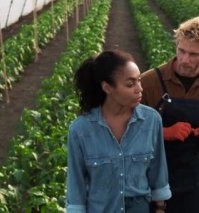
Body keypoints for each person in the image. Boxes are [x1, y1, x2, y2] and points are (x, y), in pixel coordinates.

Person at [140, 16, 199, 213]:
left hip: (192, 177)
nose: (184, 60)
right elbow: (126, 124)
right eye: (181, 51)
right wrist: (164, 133)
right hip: (149, 175)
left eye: (193, 54)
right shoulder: (149, 81)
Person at [66, 50, 171, 212]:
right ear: (107, 87)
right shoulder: (80, 130)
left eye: (139, 80)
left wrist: (160, 208)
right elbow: (76, 185)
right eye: (130, 84)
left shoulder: (151, 120)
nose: (139, 89)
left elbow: (158, 172)